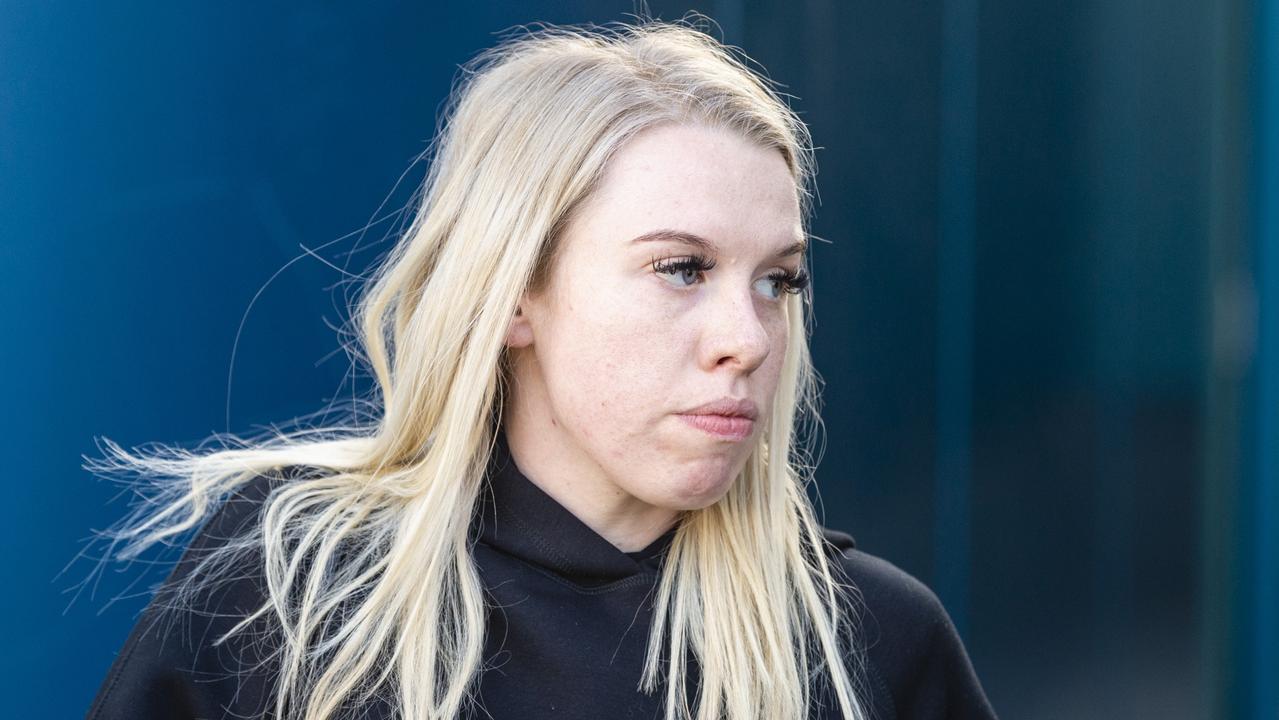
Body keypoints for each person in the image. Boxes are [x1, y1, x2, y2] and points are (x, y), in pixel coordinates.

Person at [83, 18, 998, 720]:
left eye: (778, 281)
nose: (749, 337)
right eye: (680, 268)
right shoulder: (293, 588)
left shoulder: (867, 643)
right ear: (516, 291)